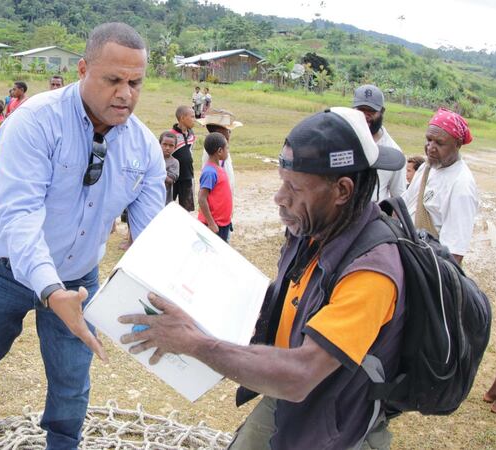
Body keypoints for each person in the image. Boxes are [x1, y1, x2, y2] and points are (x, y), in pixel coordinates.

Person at [120, 107, 408, 450]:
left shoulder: (371, 272)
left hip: (337, 416)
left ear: (342, 190)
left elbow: (301, 375)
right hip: (285, 394)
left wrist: (193, 342)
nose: (279, 198)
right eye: (282, 182)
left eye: (294, 187)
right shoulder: (316, 228)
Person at [0, 23, 166, 449]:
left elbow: (152, 235)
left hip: (78, 281)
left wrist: (171, 293)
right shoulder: (34, 122)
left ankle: (63, 443)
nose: (125, 93)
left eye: (135, 82)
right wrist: (49, 289)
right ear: (83, 69)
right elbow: (21, 216)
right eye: (113, 80)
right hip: (5, 270)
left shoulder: (144, 148)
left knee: (71, 379)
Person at [402, 108, 478, 265]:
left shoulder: (461, 186)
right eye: (429, 140)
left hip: (426, 266)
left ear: (457, 144)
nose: (430, 147)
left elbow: (453, 255)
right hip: (406, 253)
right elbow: (405, 204)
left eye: (439, 143)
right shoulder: (427, 167)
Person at [352, 84, 405, 201]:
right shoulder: (341, 140)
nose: (365, 116)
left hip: (371, 217)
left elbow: (398, 197)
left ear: (382, 112)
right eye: (361, 110)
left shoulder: (393, 153)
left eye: (371, 111)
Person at [197, 132, 233, 242]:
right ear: (219, 151)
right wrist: (211, 223)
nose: (228, 150)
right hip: (214, 225)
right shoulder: (210, 172)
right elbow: (201, 198)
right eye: (227, 148)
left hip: (223, 223)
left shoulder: (218, 168)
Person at [197, 110, 241, 197]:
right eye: (228, 130)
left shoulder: (221, 148)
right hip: (218, 198)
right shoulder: (214, 151)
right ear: (219, 132)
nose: (230, 133)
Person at [169, 105, 197, 212]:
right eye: (192, 117)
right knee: (166, 206)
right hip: (173, 177)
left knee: (186, 209)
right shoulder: (171, 136)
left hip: (187, 176)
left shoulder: (191, 135)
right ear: (182, 118)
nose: (194, 119)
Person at [160, 131, 179, 205]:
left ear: (175, 147)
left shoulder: (174, 162)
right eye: (164, 144)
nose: (167, 148)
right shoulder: (153, 159)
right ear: (159, 144)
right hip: (150, 198)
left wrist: (156, 171)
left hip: (165, 200)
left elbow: (170, 180)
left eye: (171, 145)